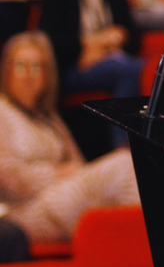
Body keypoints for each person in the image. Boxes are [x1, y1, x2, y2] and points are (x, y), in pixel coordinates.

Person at [0, 32, 138, 243]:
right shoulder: (2, 112)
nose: (28, 75)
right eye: (20, 66)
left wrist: (70, 174)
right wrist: (56, 173)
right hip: (24, 211)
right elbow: (7, 177)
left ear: (46, 75)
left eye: (36, 67)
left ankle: (135, 252)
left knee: (123, 174)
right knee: (122, 166)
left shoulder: (49, 118)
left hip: (60, 199)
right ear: (7, 71)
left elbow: (79, 165)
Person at [38, 0, 142, 146]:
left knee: (142, 68)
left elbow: (134, 39)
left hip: (111, 60)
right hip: (73, 66)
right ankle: (125, 148)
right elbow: (48, 41)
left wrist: (116, 39)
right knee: (129, 70)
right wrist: (86, 46)